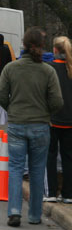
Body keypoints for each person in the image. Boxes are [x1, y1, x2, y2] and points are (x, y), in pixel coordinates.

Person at [0, 27, 64, 227]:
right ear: (42, 47)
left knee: (16, 169)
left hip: (17, 123)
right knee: (36, 170)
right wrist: (46, 112)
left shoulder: (11, 68)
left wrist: (12, 109)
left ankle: (14, 211)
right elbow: (57, 101)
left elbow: (0, 95)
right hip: (40, 124)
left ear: (24, 45)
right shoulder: (47, 71)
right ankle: (34, 214)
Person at [47, 36, 72, 203]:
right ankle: (68, 193)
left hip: (52, 118)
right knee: (68, 156)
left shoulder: (49, 69)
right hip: (69, 120)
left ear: (54, 50)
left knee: (50, 155)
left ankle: (51, 191)